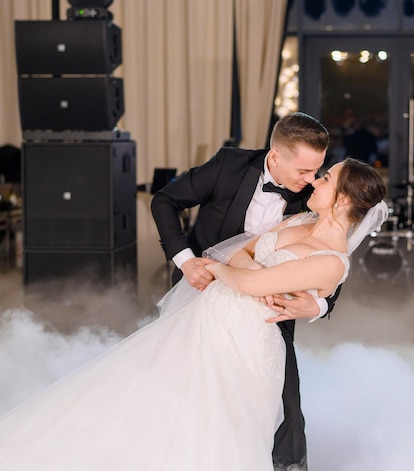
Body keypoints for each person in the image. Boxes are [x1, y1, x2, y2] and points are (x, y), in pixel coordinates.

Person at [0, 158, 388, 470]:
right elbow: (242, 252)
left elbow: (245, 278)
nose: (316, 181)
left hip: (246, 337)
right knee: (160, 398)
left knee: (218, 420)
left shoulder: (332, 262)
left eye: (326, 178)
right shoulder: (300, 218)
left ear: (341, 200)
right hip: (205, 315)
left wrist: (229, 272)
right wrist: (249, 274)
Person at [151, 112, 335, 470]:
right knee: (189, 384)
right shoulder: (229, 165)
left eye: (317, 170)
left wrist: (318, 305)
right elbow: (164, 201)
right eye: (303, 171)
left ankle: (288, 465)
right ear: (275, 155)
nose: (312, 180)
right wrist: (186, 261)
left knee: (285, 396)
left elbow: (333, 256)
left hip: (269, 305)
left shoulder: (314, 196)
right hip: (204, 293)